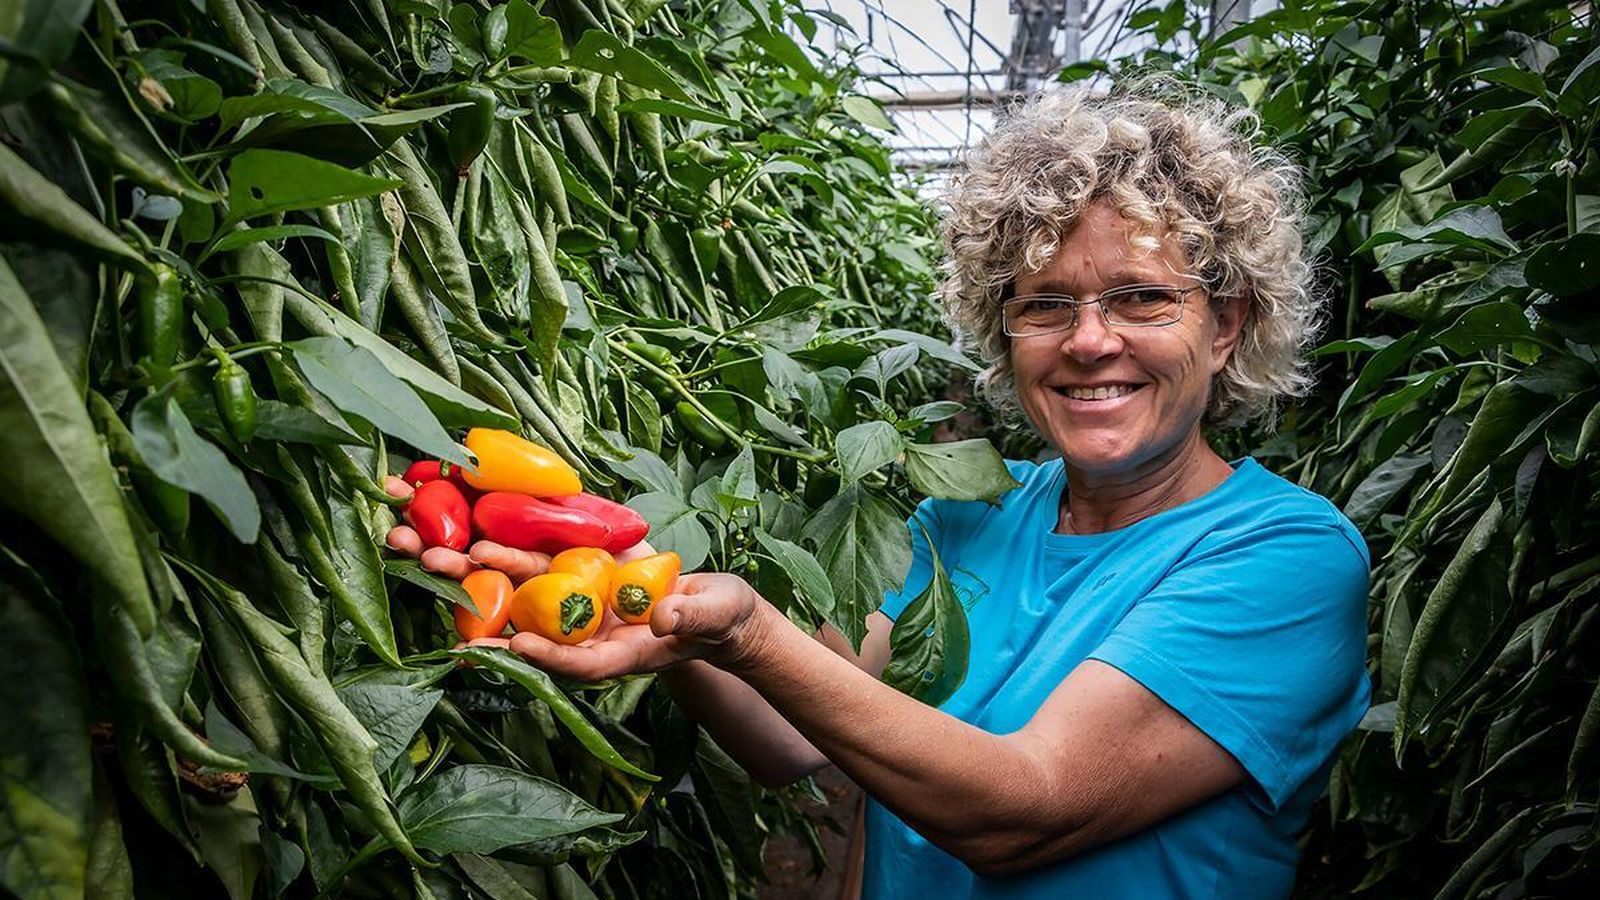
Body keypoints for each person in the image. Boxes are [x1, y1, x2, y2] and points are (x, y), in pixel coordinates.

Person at [385, 81, 1371, 900]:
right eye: (1043, 305)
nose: (1088, 340)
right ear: (1002, 333)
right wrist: (654, 594)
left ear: (1229, 323)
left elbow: (1024, 810)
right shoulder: (967, 510)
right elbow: (794, 734)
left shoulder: (1285, 558)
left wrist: (748, 630)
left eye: (1140, 297)